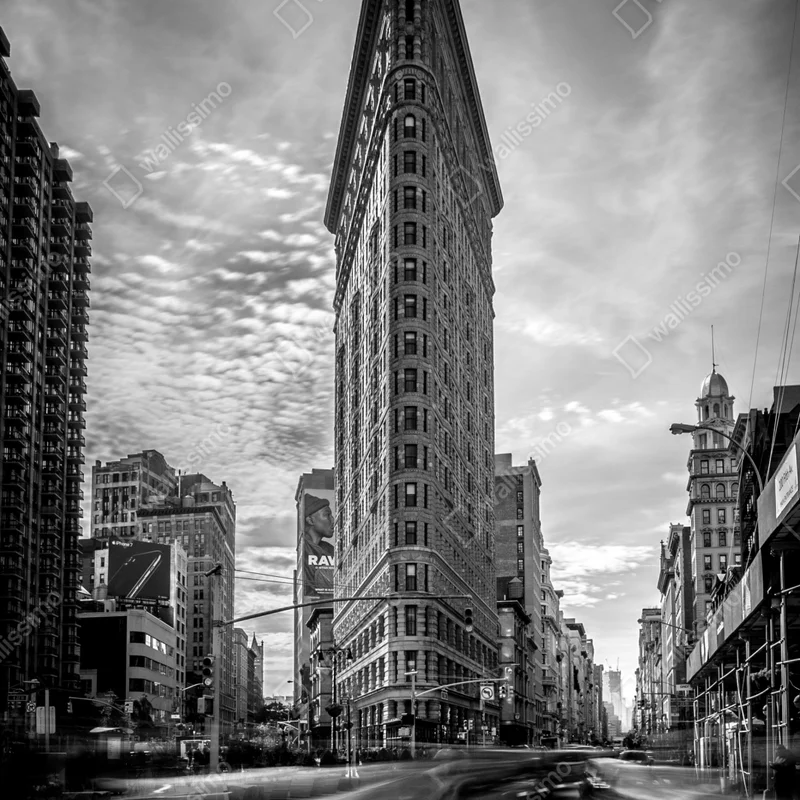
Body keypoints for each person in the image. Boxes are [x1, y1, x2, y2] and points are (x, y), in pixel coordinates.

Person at [303, 495, 334, 596]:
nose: (333, 520)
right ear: (310, 520)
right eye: (327, 515)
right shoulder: (305, 550)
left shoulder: (331, 550)